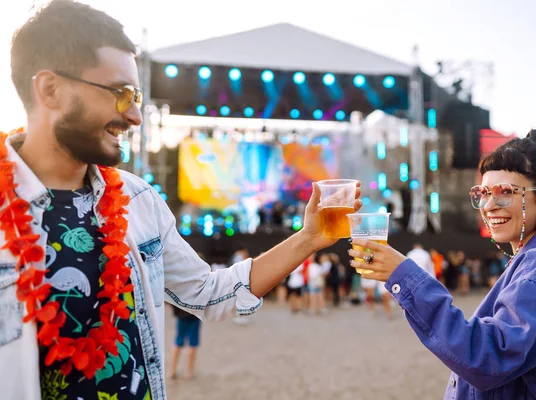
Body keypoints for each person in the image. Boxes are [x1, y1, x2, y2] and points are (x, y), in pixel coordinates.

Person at [0, 2, 362, 399]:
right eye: (120, 94)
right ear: (50, 89)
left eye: (136, 95)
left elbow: (208, 294)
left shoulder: (138, 200)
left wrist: (308, 238)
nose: (135, 115)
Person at [349, 129, 536, 399]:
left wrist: (404, 276)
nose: (489, 205)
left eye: (506, 192)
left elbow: (487, 358)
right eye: (482, 193)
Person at [168, 305, 202, 380]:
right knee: (192, 343)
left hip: (181, 313)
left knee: (178, 341)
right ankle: (189, 372)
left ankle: (172, 371)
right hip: (194, 314)